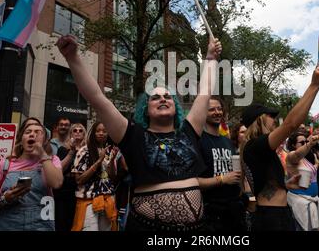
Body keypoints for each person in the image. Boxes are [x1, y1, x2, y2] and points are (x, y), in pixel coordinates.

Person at [56, 34, 222, 231]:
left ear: (175, 106)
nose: (163, 99)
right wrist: (72, 57)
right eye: (155, 97)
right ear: (145, 109)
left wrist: (211, 58)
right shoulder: (132, 135)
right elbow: (97, 97)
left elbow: (205, 91)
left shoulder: (188, 130)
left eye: (168, 96)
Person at [240, 65, 319, 231]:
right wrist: (314, 85)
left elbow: (264, 183)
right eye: (270, 116)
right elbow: (290, 124)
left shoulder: (256, 148)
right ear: (259, 119)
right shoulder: (255, 145)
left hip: (276, 212)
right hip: (271, 218)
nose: (274, 120)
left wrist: (286, 185)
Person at [0, 118, 63, 231]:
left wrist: (42, 154)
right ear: (21, 139)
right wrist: (6, 198)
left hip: (41, 225)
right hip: (8, 224)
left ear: (45, 140)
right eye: (28, 132)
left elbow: (56, 183)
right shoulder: (5, 165)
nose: (32, 134)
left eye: (38, 132)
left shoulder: (52, 160)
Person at [197, 96, 246, 231]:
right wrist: (223, 179)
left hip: (235, 209)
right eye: (211, 109)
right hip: (212, 213)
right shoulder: (198, 141)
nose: (217, 112)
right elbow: (194, 182)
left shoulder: (228, 142)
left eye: (219, 109)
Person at [71, 122, 119, 231]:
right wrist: (99, 161)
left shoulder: (110, 151)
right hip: (89, 200)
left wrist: (111, 160)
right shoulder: (84, 151)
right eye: (98, 131)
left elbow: (112, 178)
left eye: (104, 131)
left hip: (107, 199)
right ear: (93, 133)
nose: (101, 133)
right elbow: (79, 180)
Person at [285, 132, 319, 231]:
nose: (305, 144)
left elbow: (312, 171)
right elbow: (297, 154)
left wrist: (317, 163)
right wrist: (309, 144)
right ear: (293, 145)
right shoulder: (291, 155)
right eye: (302, 142)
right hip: (301, 201)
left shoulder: (304, 158)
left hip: (312, 200)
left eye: (306, 141)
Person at [53, 123, 87, 231]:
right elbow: (59, 170)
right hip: (63, 191)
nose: (77, 132)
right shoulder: (63, 149)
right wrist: (71, 152)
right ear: (71, 133)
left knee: (77, 223)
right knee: (62, 223)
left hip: (80, 191)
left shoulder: (88, 151)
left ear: (84, 134)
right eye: (75, 130)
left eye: (80, 130)